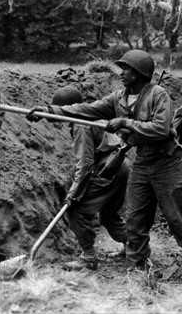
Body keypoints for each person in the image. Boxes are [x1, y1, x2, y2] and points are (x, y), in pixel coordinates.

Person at [27, 50, 182, 282]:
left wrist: (126, 122)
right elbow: (86, 109)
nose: (121, 73)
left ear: (140, 73)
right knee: (135, 220)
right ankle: (140, 269)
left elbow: (161, 129)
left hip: (168, 163)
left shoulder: (158, 94)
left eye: (126, 69)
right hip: (143, 162)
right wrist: (50, 111)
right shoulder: (118, 98)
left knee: (177, 220)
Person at [50, 86, 129, 271]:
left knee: (76, 210)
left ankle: (88, 257)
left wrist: (73, 194)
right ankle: (134, 245)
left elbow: (84, 165)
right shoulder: (90, 116)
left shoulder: (80, 125)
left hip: (109, 169)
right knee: (108, 214)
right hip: (121, 166)